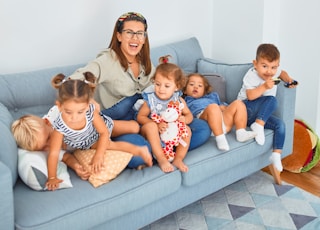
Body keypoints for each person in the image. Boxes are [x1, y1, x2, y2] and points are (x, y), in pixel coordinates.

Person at [67, 12, 211, 168]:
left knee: (202, 129)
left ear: (144, 38)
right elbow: (73, 81)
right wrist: (88, 99)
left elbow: (163, 85)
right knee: (139, 155)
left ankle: (162, 148)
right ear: (119, 36)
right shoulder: (107, 60)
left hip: (145, 115)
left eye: (140, 34)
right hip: (120, 121)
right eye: (129, 32)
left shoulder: (144, 60)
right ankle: (160, 149)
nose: (135, 38)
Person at [46, 72, 153, 191]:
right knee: (110, 145)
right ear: (59, 106)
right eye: (68, 112)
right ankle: (139, 150)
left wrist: (99, 155)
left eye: (80, 112)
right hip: (89, 143)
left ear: (87, 106)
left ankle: (138, 120)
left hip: (103, 129)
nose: (74, 117)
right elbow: (54, 154)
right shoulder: (59, 127)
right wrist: (52, 177)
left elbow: (104, 133)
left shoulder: (90, 112)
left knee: (134, 127)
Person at [237, 43, 298, 184]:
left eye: (273, 67)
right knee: (271, 100)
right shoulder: (251, 75)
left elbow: (282, 72)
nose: (269, 72)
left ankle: (276, 155)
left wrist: (288, 79)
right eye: (264, 66)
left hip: (260, 114)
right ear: (255, 64)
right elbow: (251, 96)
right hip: (245, 110)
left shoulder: (275, 71)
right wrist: (264, 86)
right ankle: (258, 125)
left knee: (280, 125)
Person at [136, 56, 193, 173]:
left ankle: (178, 159)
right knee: (151, 126)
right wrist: (156, 125)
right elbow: (140, 117)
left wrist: (184, 119)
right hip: (153, 132)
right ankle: (161, 159)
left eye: (167, 86)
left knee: (187, 130)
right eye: (157, 84)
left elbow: (189, 116)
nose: (161, 89)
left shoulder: (178, 100)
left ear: (176, 87)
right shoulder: (151, 100)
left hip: (171, 133)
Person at [183, 73, 256, 151]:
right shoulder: (185, 101)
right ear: (184, 90)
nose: (196, 87)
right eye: (191, 84)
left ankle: (241, 132)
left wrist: (223, 107)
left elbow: (225, 107)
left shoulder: (212, 97)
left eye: (200, 86)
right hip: (206, 122)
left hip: (223, 121)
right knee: (213, 107)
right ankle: (220, 138)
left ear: (204, 91)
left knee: (238, 103)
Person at [11, 114, 91, 181]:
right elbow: (66, 157)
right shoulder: (47, 150)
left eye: (49, 137)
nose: (50, 144)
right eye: (43, 148)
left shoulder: (59, 116)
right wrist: (76, 166)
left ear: (47, 122)